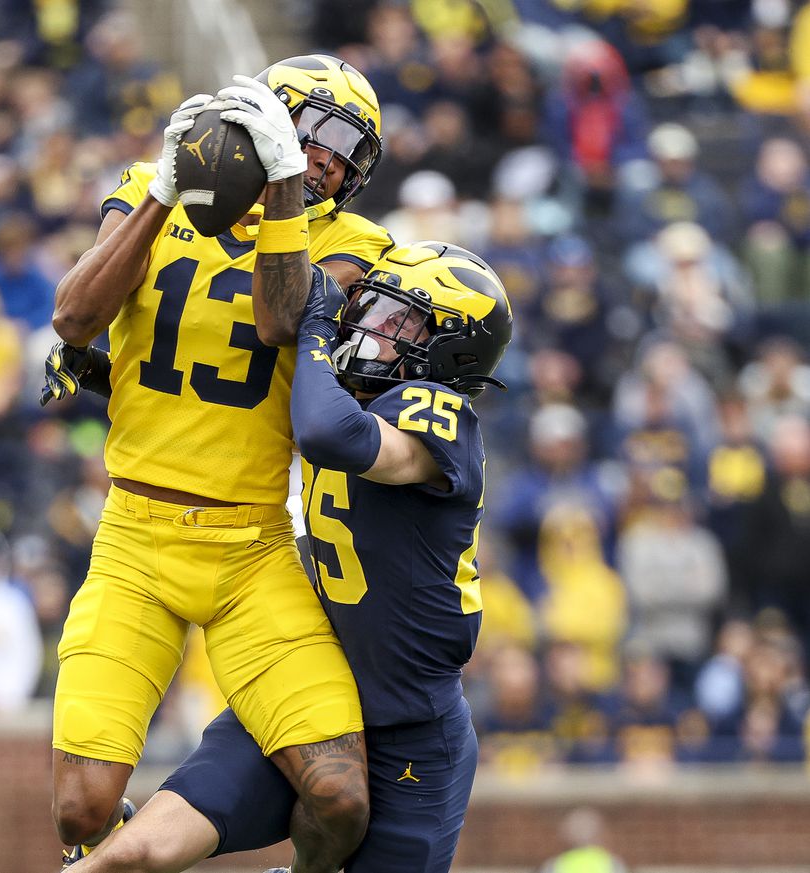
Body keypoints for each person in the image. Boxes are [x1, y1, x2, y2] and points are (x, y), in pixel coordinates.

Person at [42, 55, 392, 872]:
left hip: (252, 548)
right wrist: (166, 188)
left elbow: (280, 319)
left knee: (340, 795)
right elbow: (73, 316)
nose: (334, 164)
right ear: (275, 115)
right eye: (327, 138)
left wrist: (282, 189)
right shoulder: (150, 187)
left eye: (352, 153)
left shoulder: (353, 243)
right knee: (78, 810)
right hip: (135, 536)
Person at [60, 241, 513, 873]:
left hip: (406, 728)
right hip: (302, 685)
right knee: (130, 856)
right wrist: (106, 370)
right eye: (372, 306)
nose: (370, 324)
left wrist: (319, 333)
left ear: (450, 350)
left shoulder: (440, 415)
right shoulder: (339, 394)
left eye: (396, 320)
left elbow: (331, 433)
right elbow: (226, 407)